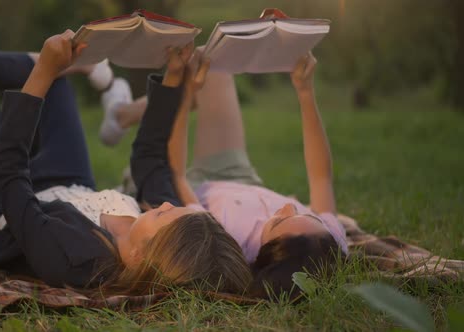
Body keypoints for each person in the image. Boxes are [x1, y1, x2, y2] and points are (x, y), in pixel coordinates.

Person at [0, 30, 252, 295]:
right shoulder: (164, 231)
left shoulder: (78, 260)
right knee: (57, 80)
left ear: (137, 256)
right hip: (72, 178)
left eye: (163, 215)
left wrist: (44, 71)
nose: (168, 204)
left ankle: (86, 72)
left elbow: (8, 175)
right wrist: (172, 77)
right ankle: (90, 74)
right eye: (176, 209)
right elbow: (150, 157)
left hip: (9, 198)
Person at [105, 52, 348, 300]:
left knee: (192, 72)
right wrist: (306, 92)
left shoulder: (229, 240)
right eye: (306, 214)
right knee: (213, 64)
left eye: (278, 221)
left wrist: (187, 92)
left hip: (194, 185)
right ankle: (122, 115)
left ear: (261, 253)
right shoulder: (328, 241)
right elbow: (321, 179)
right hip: (240, 176)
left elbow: (177, 174)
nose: (288, 205)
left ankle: (123, 121)